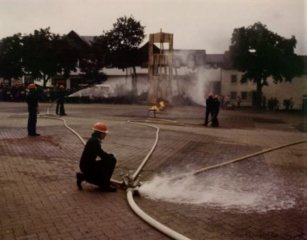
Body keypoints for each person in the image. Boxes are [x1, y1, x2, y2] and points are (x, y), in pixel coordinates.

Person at [76, 122, 117, 192]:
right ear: (100, 133)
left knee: (108, 160)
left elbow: (100, 153)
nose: (105, 135)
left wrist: (109, 156)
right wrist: (111, 156)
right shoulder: (94, 142)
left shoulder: (94, 140)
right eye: (104, 133)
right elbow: (102, 155)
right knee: (112, 161)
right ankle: (105, 185)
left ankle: (83, 176)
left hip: (86, 165)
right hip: (87, 167)